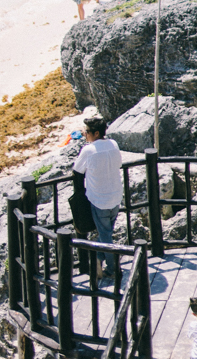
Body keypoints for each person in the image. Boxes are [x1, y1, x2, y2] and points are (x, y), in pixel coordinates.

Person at [72, 116, 123, 281]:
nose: (84, 135)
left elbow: (77, 171)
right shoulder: (113, 144)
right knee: (106, 232)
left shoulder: (89, 150)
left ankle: (112, 268)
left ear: (95, 133)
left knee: (105, 235)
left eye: (86, 132)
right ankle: (99, 260)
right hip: (116, 196)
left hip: (99, 200)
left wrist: (80, 194)